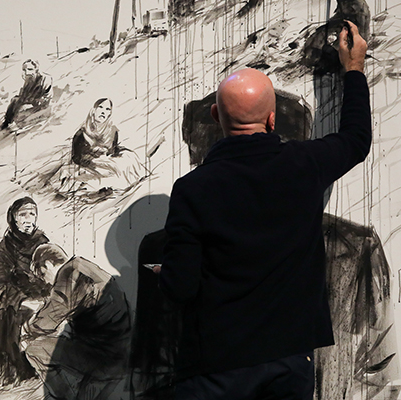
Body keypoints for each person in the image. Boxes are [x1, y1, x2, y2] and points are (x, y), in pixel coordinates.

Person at [157, 21, 371, 399]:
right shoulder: (304, 165)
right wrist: (353, 69)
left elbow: (181, 287)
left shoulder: (192, 189)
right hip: (288, 364)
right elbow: (355, 139)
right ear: (272, 120)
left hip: (215, 368)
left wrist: (167, 270)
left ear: (215, 116)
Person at [24, 244, 132, 400]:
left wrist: (27, 328)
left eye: (42, 275)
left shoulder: (69, 274)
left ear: (48, 264)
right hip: (119, 350)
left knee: (35, 349)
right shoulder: (86, 268)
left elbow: (47, 320)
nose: (46, 282)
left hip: (103, 358)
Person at [0, 197, 51, 384]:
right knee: (8, 320)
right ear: (13, 218)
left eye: (32, 213)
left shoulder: (43, 242)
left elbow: (53, 272)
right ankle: (14, 372)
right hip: (15, 303)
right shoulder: (5, 248)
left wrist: (43, 297)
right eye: (23, 214)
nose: (28, 219)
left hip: (42, 299)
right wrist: (21, 299)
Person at [63, 98, 145, 192]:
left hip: (107, 158)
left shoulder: (112, 130)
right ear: (93, 111)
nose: (103, 112)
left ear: (109, 114)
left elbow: (112, 150)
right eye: (100, 107)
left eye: (107, 109)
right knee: (114, 167)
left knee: (129, 156)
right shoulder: (82, 132)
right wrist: (95, 158)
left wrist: (110, 154)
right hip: (91, 162)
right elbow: (76, 157)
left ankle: (137, 182)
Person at [0, 59, 53, 131]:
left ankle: (19, 126)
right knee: (15, 100)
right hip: (30, 104)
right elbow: (23, 95)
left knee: (21, 113)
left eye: (30, 69)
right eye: (24, 70)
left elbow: (45, 98)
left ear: (36, 69)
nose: (27, 72)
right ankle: (7, 122)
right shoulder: (29, 79)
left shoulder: (46, 79)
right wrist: (20, 101)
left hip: (42, 107)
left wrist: (30, 103)